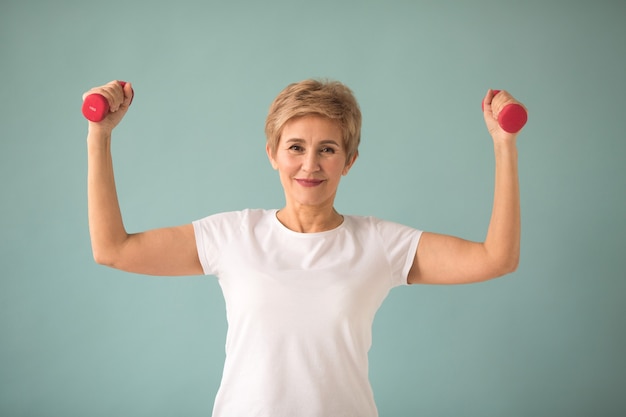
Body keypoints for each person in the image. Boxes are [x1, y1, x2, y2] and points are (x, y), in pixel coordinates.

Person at [84, 78, 524, 417]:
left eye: (327, 149)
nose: (310, 165)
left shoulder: (381, 244)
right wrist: (99, 135)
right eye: (295, 147)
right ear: (273, 153)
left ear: (349, 161)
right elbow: (113, 249)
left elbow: (496, 258)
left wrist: (504, 144)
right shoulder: (232, 235)